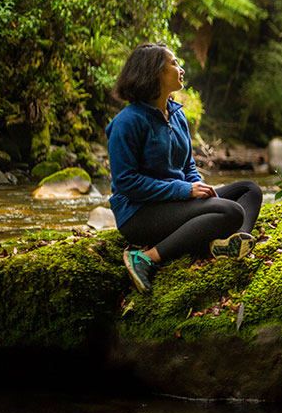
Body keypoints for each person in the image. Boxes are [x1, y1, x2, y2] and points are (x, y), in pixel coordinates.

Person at [107, 43, 262, 293]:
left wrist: (199, 186)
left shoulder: (176, 115)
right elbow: (127, 183)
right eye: (174, 63)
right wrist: (186, 190)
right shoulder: (127, 122)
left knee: (250, 190)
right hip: (139, 213)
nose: (181, 69)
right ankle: (147, 258)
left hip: (177, 202)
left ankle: (227, 244)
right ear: (154, 72)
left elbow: (188, 164)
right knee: (231, 212)